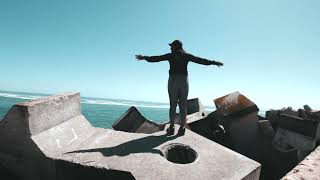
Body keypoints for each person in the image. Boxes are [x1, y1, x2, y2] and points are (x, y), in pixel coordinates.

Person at [136, 40, 223, 136]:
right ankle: (182, 128)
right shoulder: (186, 56)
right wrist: (213, 62)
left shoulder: (170, 55)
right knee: (183, 105)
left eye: (171, 46)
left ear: (175, 47)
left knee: (172, 105)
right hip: (184, 81)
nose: (170, 48)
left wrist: (144, 57)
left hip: (173, 81)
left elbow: (157, 58)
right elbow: (200, 60)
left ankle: (172, 127)